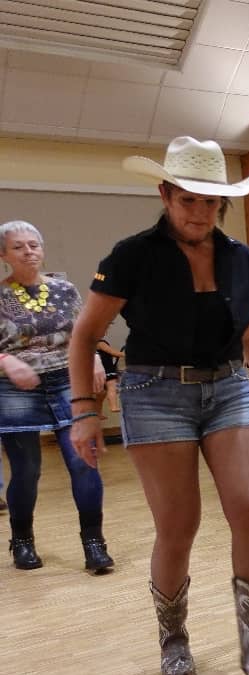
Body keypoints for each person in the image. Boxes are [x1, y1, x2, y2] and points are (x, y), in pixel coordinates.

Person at [68, 137, 249, 675]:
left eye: (210, 202)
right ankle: (174, 639)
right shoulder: (132, 255)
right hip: (154, 392)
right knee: (178, 525)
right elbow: (85, 336)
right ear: (166, 195)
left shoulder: (240, 256)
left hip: (229, 386)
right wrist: (84, 412)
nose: (198, 213)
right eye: (188, 200)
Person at [1, 220, 112, 572]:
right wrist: (6, 361)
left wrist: (94, 356)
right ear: (4, 254)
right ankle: (21, 540)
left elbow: (84, 331)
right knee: (27, 469)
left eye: (33, 244)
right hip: (16, 386)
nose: (28, 251)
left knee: (83, 461)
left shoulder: (64, 290)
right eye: (18, 246)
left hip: (67, 380)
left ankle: (94, 542)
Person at [95, 336, 124, 412]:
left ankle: (98, 413)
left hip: (99, 372)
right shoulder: (101, 343)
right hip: (108, 370)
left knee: (101, 394)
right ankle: (113, 406)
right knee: (111, 388)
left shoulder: (90, 345)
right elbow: (113, 352)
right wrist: (126, 355)